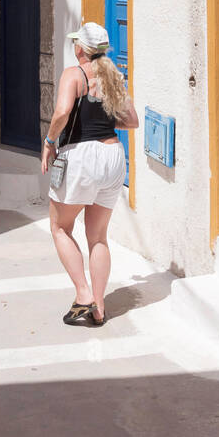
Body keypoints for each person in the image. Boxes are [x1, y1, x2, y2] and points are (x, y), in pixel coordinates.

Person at [41, 21, 139, 327]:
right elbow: (131, 121)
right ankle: (99, 307)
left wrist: (49, 142)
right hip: (113, 156)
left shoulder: (74, 74)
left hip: (82, 156)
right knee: (98, 237)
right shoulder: (113, 77)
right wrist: (103, 122)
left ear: (81, 48)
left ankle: (83, 294)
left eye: (75, 44)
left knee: (59, 228)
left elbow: (61, 113)